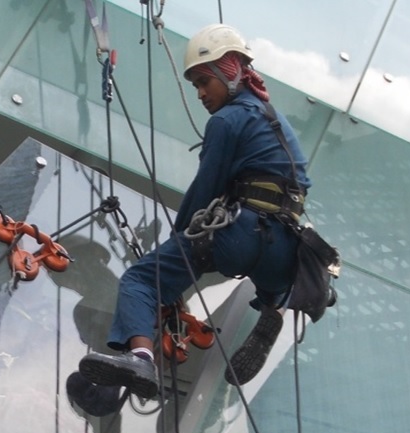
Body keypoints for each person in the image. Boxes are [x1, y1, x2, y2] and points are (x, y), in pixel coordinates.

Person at [79, 23, 312, 398]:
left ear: (230, 71)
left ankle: (140, 358)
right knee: (272, 277)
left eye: (205, 82)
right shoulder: (275, 120)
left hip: (241, 233)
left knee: (141, 280)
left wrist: (178, 240)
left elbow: (206, 188)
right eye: (196, 86)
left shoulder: (226, 121)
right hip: (287, 246)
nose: (201, 94)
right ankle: (274, 307)